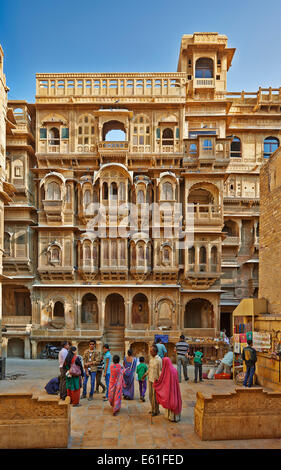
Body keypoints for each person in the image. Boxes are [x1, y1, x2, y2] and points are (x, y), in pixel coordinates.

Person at [153, 357, 182, 422]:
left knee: (170, 401)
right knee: (174, 401)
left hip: (170, 390)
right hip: (175, 390)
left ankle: (171, 417)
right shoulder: (174, 369)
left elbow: (163, 380)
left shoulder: (167, 371)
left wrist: (157, 383)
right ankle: (176, 417)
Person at [143, 344, 162, 416]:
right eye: (150, 351)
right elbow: (149, 368)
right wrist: (145, 374)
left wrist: (159, 380)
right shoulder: (151, 360)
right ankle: (152, 408)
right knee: (150, 395)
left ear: (155, 352)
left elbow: (160, 371)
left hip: (155, 380)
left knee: (155, 397)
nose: (150, 352)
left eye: (151, 351)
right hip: (150, 379)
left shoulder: (159, 360)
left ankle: (156, 410)